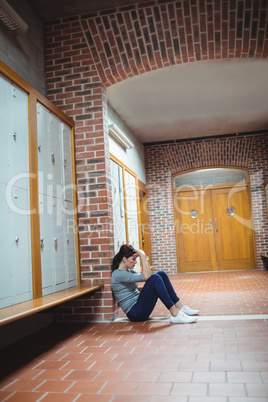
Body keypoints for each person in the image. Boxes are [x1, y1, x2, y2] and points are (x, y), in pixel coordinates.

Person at [111, 244, 199, 323]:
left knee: (161, 274)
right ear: (124, 259)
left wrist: (143, 257)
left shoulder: (129, 271)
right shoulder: (118, 274)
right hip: (135, 313)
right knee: (155, 278)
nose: (136, 262)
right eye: (133, 259)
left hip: (139, 306)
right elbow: (147, 277)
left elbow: (148, 276)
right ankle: (175, 314)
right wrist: (142, 255)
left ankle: (180, 307)